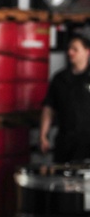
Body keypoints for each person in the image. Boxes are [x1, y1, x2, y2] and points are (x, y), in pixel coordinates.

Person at [39, 34, 90, 163]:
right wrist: (43, 135)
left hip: (88, 142)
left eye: (75, 49)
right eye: (69, 49)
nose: (70, 52)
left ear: (87, 52)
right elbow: (49, 108)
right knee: (63, 179)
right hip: (66, 142)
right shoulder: (60, 79)